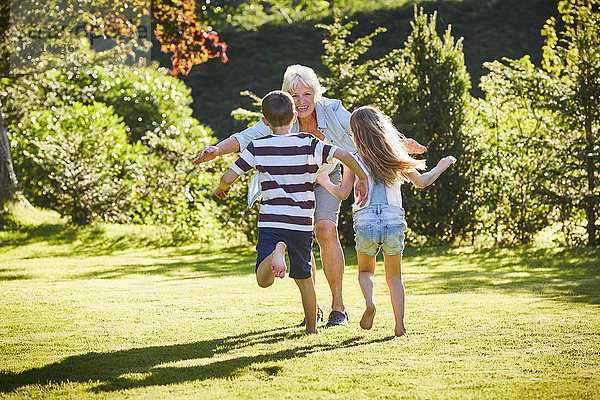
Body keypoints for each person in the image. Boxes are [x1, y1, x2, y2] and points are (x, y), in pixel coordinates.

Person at [194, 64, 426, 327]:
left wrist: (400, 143)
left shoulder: (333, 110)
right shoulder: (282, 115)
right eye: (295, 96)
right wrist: (216, 150)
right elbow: (246, 137)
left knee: (325, 229)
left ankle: (338, 306)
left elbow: (367, 129)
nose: (301, 101)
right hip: (294, 182)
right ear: (287, 98)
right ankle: (312, 307)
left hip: (327, 175)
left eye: (307, 94)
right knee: (301, 237)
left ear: (316, 93)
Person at [213, 90, 369, 334]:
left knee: (263, 280)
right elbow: (343, 154)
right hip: (300, 223)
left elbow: (228, 176)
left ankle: (277, 250)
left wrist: (222, 188)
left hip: (271, 222)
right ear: (294, 115)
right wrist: (361, 176)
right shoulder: (309, 143)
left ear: (265, 121)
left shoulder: (258, 147)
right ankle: (311, 329)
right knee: (304, 278)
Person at [316, 106, 456, 337]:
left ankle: (370, 303)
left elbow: (342, 193)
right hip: (393, 219)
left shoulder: (352, 159)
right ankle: (399, 326)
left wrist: (323, 181)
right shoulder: (394, 155)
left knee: (365, 271)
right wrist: (441, 165)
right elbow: (421, 182)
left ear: (355, 133)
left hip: (366, 220)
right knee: (395, 278)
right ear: (381, 127)